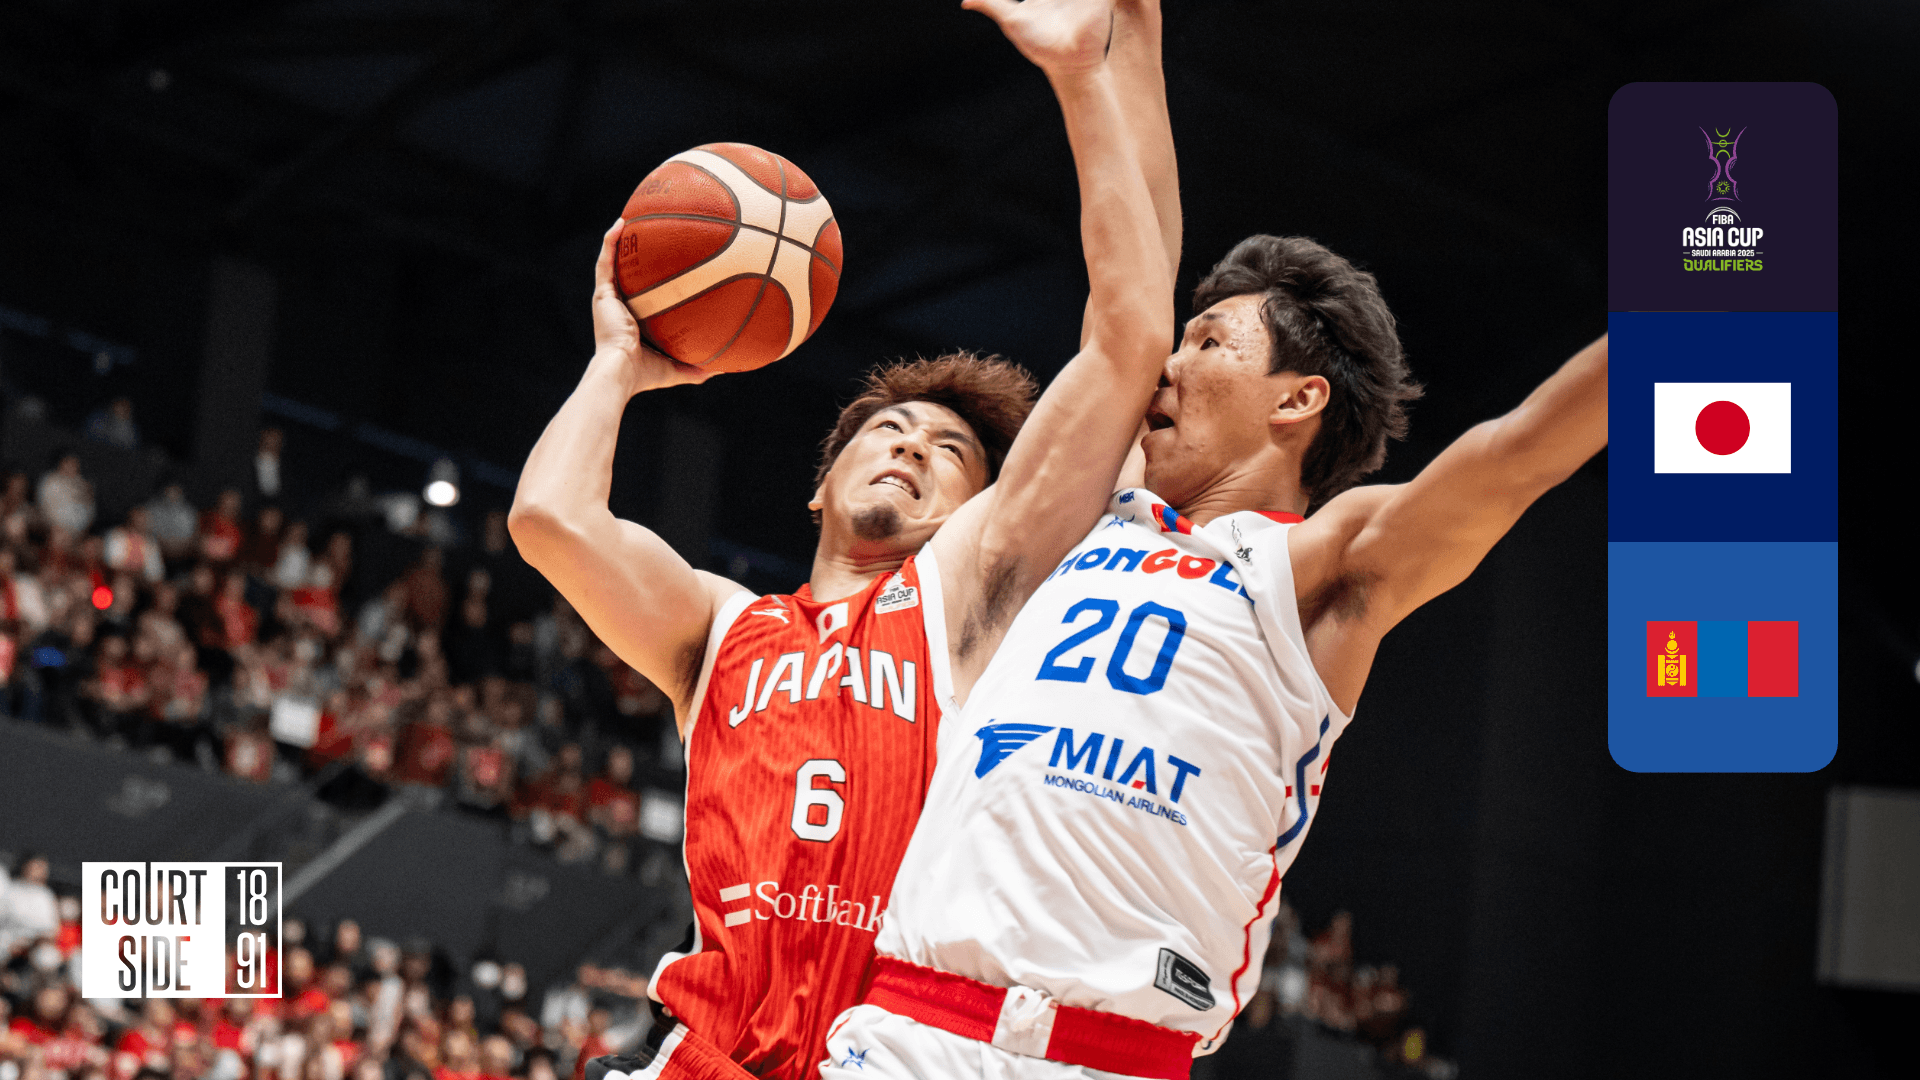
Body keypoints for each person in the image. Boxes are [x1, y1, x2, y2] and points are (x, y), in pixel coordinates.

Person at [818, 130, 1609, 1080]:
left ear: (1298, 400)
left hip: (1112, 1056)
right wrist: (1116, 59)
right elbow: (1134, 277)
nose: (1168, 362)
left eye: (1209, 344)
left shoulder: (1316, 575)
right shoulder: (1089, 508)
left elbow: (1516, 454)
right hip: (909, 1027)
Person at [513, 1, 1176, 1075]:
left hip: (887, 1057)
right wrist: (619, 366)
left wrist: (1106, 65)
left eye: (948, 451)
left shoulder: (964, 600)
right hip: (702, 1055)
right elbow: (551, 520)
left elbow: (1130, 340)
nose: (910, 445)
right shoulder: (722, 629)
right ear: (820, 488)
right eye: (888, 429)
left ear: (974, 511)